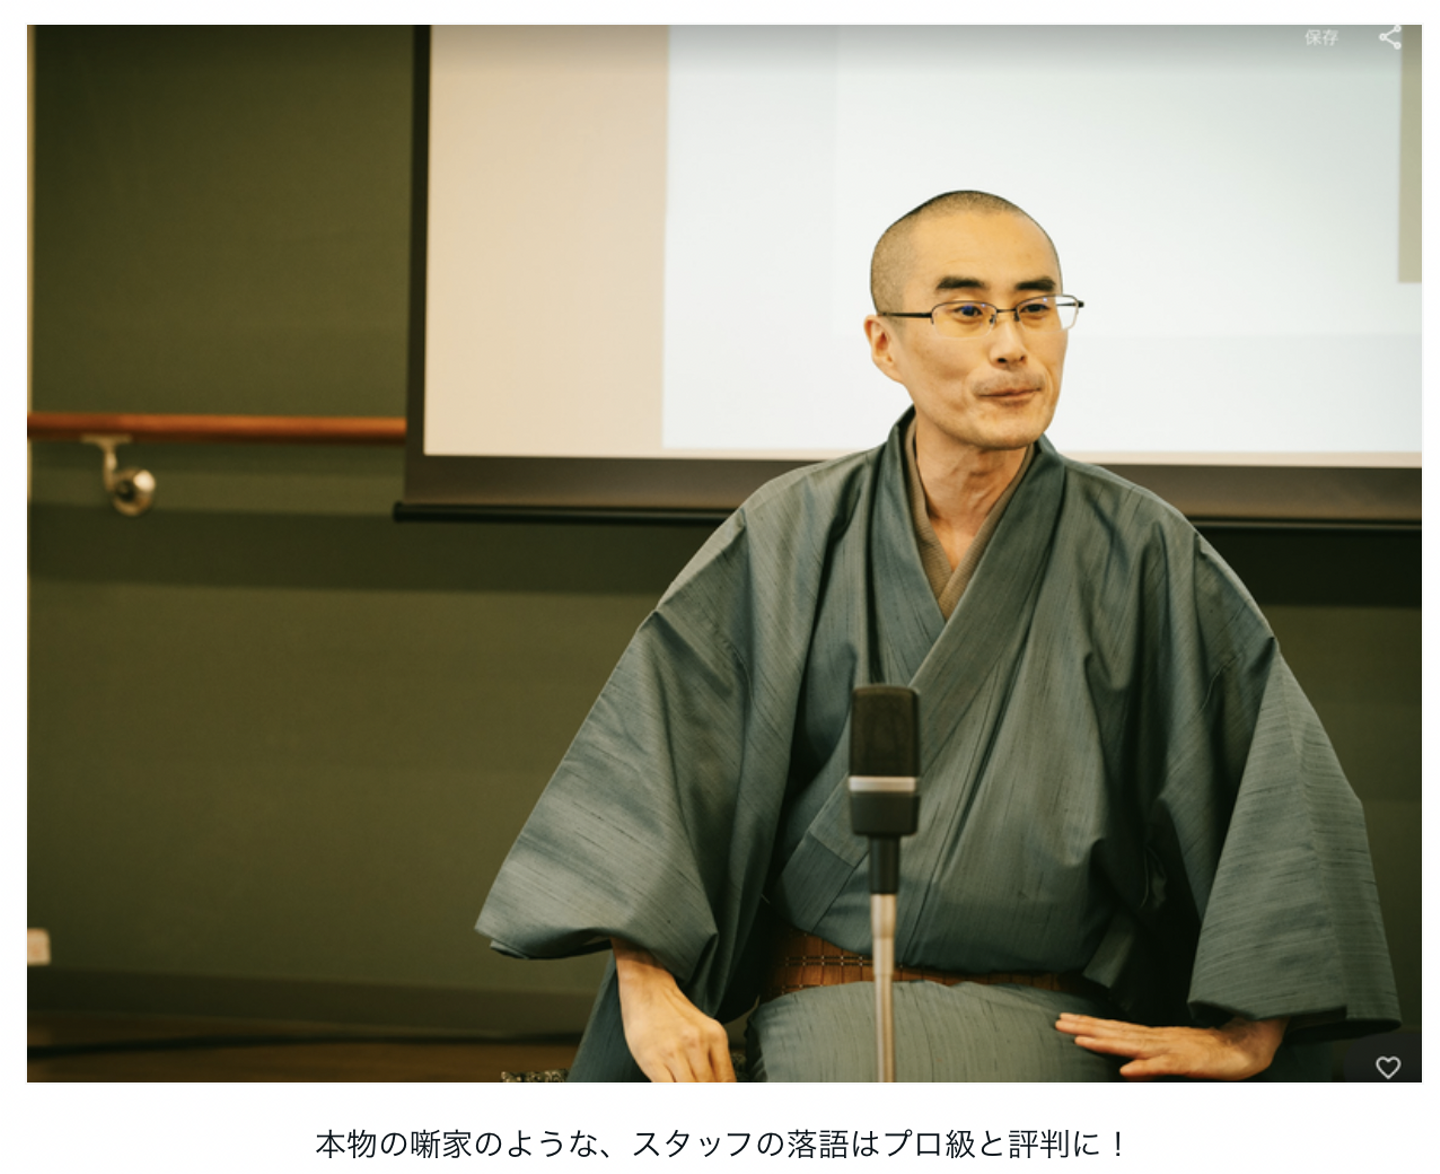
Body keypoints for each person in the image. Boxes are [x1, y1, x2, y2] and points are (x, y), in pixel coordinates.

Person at [477, 191, 1399, 1081]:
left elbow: (1272, 786)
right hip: (827, 1009)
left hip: (1062, 1032)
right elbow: (657, 769)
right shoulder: (792, 531)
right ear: (885, 344)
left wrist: (1253, 1031)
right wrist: (646, 987)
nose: (1012, 345)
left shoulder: (1144, 548)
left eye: (1036, 307)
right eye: (967, 311)